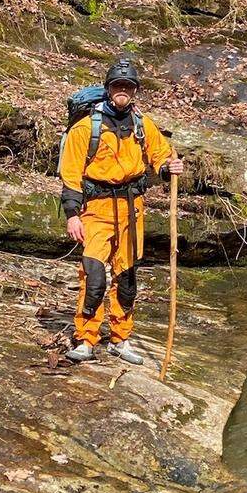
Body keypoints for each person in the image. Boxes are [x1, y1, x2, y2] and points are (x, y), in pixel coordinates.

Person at [59, 57, 183, 364]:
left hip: (132, 209)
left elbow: (160, 158)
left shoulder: (143, 126)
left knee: (127, 277)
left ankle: (119, 339)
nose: (122, 91)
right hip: (96, 210)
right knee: (94, 275)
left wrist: (170, 167)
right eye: (117, 85)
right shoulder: (86, 129)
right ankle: (86, 339)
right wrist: (73, 214)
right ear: (108, 88)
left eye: (128, 86)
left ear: (135, 91)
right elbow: (71, 173)